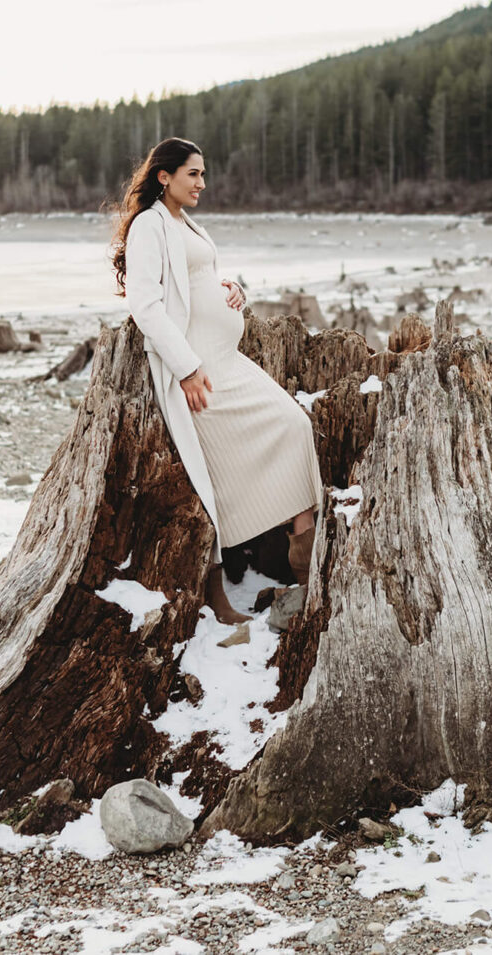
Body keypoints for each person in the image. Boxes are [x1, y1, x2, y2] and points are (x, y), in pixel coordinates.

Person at [108, 137, 323, 625]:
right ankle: (217, 592)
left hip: (227, 358)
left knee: (294, 424)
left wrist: (232, 291)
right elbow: (144, 303)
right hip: (196, 369)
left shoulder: (187, 223)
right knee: (211, 478)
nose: (203, 183)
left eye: (204, 174)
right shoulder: (149, 225)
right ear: (164, 176)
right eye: (193, 174)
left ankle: (302, 544)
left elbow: (198, 279)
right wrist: (185, 366)